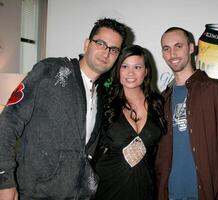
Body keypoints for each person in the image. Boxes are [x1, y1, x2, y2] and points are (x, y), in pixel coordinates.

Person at [0, 18, 127, 200]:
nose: (106, 52)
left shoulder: (101, 94)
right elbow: (7, 124)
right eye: (100, 43)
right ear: (86, 44)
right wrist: (5, 181)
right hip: (34, 193)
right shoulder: (50, 71)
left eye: (113, 49)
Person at [155, 27, 218, 200]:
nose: (172, 53)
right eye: (166, 48)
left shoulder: (217, 90)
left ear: (191, 48)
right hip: (170, 194)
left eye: (178, 46)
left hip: (206, 194)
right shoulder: (162, 99)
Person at [93, 45, 167, 200]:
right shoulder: (104, 102)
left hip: (144, 188)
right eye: (125, 66)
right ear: (118, 70)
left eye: (137, 67)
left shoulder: (158, 104)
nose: (130, 73)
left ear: (146, 71)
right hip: (107, 187)